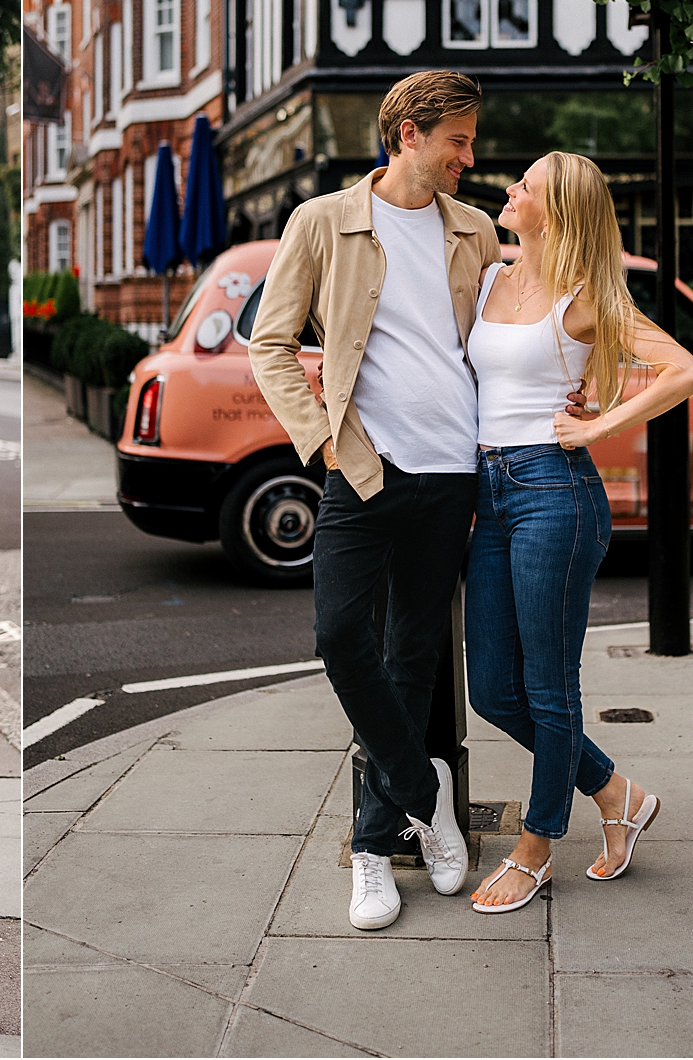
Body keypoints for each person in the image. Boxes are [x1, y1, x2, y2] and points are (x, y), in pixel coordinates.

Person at [250, 70, 499, 932]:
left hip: (452, 472)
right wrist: (320, 440)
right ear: (408, 136)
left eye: (471, 141)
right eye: (458, 141)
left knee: (413, 655)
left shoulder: (475, 232)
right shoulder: (322, 222)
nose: (470, 157)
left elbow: (495, 344)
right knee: (338, 636)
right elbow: (270, 343)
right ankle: (426, 795)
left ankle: (373, 849)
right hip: (361, 468)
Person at [464, 152, 693, 913]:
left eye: (526, 185)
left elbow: (685, 371)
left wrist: (599, 426)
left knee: (548, 687)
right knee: (492, 690)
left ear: (558, 210)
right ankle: (614, 792)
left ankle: (536, 848)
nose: (510, 189)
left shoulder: (584, 298)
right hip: (489, 490)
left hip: (554, 493)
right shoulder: (489, 278)